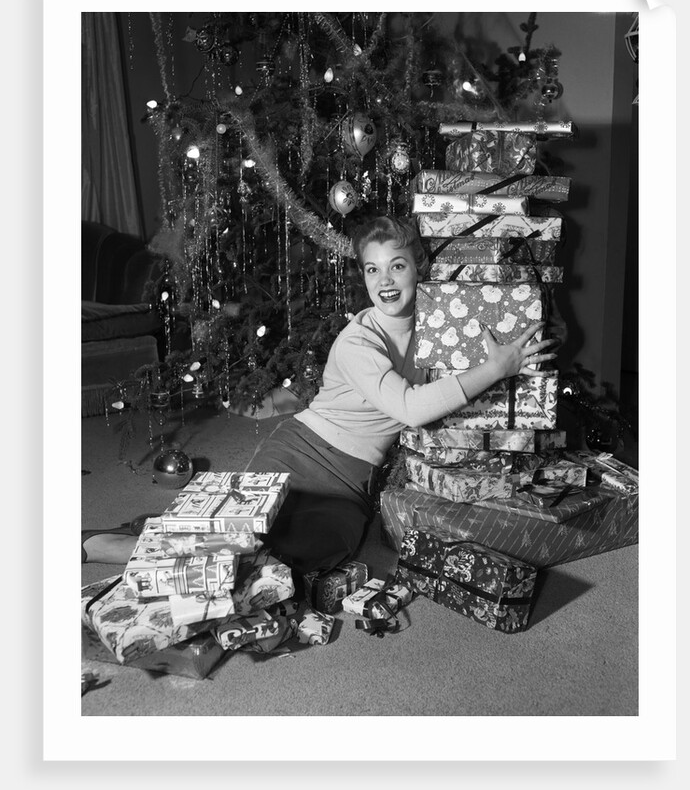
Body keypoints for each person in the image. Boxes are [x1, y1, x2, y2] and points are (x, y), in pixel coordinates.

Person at [82, 215, 556, 570]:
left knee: (316, 554)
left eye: (396, 266)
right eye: (372, 270)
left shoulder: (442, 325)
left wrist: (518, 352)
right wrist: (495, 370)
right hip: (301, 451)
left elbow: (492, 347)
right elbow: (411, 409)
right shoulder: (358, 341)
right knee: (239, 540)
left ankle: (188, 542)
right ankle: (114, 543)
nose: (385, 281)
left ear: (420, 266)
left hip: (352, 480)